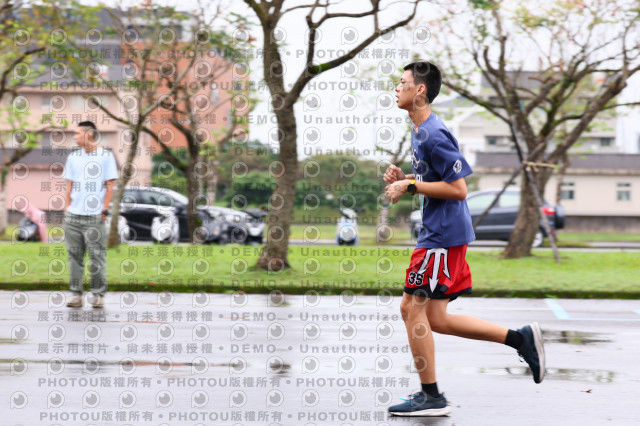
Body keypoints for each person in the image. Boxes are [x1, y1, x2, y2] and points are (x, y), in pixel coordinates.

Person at [384, 62, 545, 416]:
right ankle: (520, 339)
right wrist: (407, 178)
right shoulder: (419, 129)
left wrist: (409, 186)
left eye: (402, 82)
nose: (396, 87)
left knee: (411, 309)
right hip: (443, 234)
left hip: (441, 237)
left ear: (420, 90)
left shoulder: (433, 133)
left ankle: (431, 397)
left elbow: (458, 189)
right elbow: (434, 178)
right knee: (436, 318)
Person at [63, 121, 118, 308]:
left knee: (97, 257)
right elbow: (69, 185)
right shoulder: (73, 157)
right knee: (74, 257)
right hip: (73, 216)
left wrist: (104, 209)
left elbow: (109, 185)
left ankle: (98, 295)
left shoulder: (106, 156)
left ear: (89, 134)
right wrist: (67, 207)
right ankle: (76, 295)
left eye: (77, 133)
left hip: (94, 216)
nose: (75, 137)